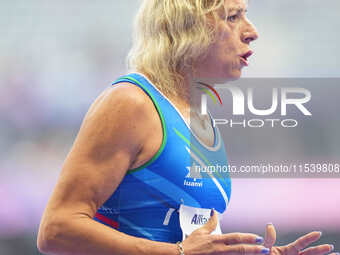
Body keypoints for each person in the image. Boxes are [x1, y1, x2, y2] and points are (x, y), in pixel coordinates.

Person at [37, 0, 337, 255]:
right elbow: (56, 228)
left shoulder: (199, 113)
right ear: (186, 28)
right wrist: (177, 253)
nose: (252, 32)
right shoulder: (130, 103)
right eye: (233, 17)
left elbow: (187, 240)